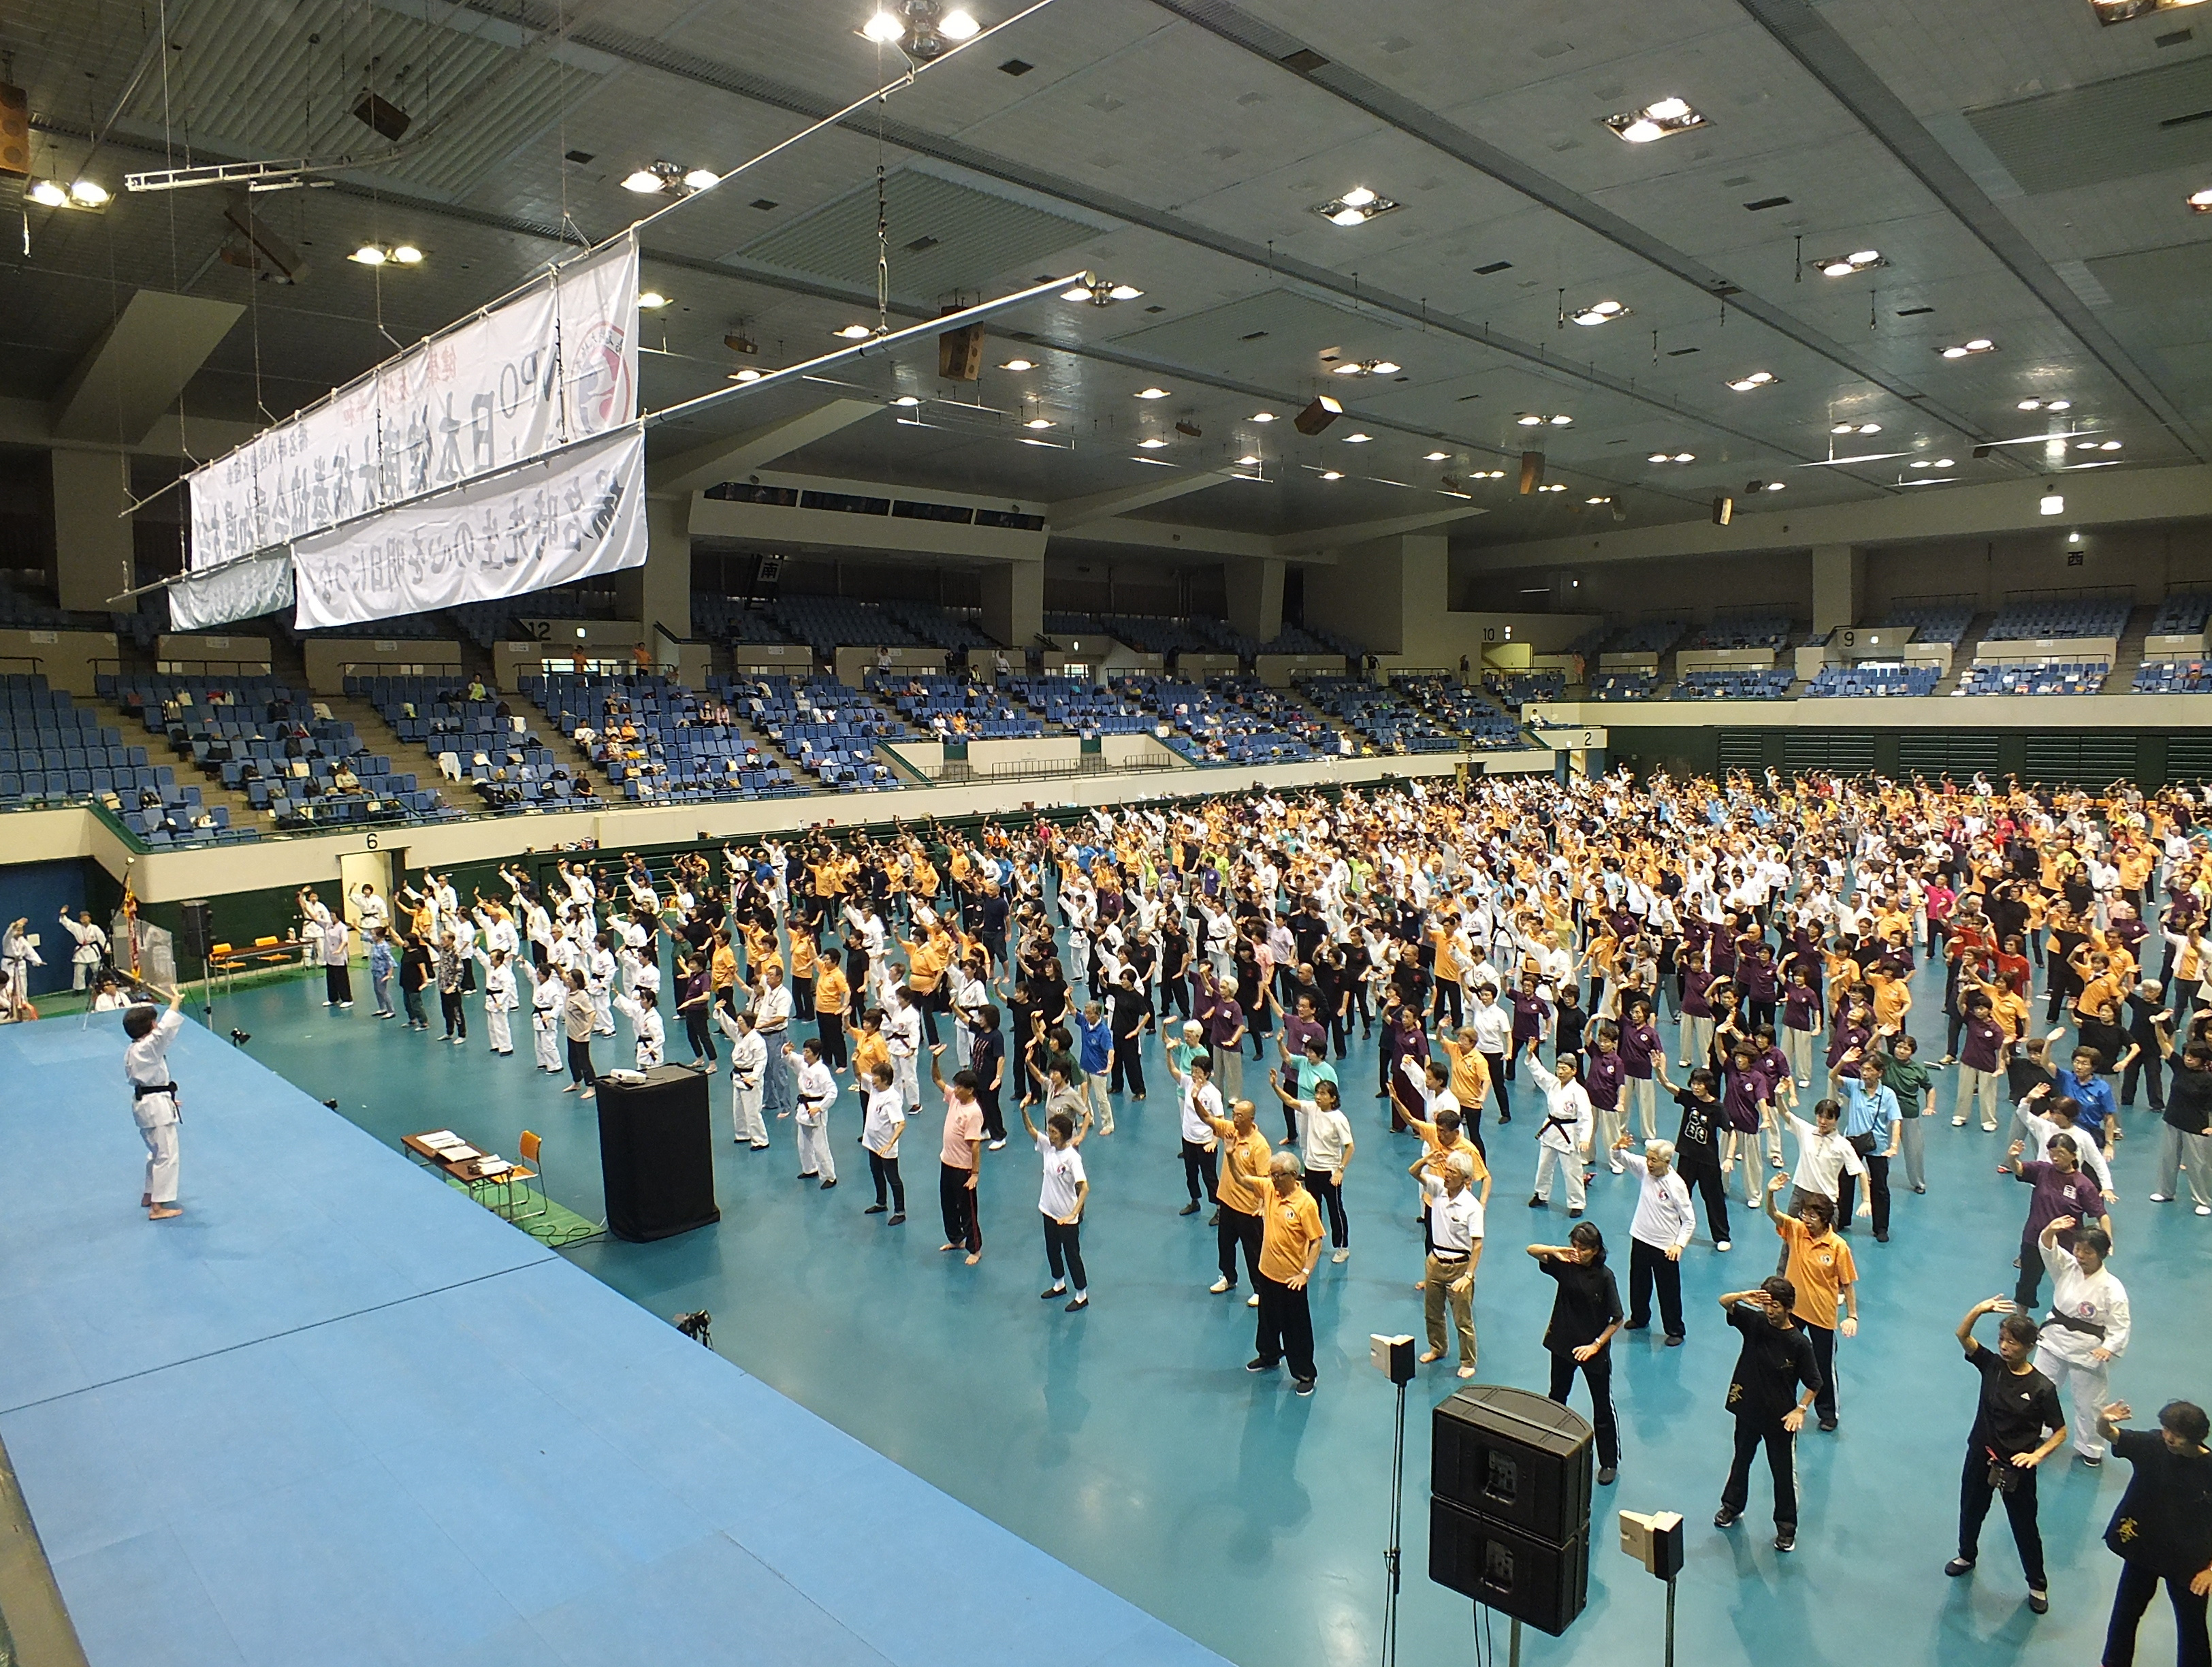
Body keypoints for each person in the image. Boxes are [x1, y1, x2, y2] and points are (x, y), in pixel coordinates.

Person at [1946, 1297, 2066, 1615]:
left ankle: (2037, 1584)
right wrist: (1979, 1310)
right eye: (2001, 1339)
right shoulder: (1991, 1366)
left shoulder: (2042, 1387)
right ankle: (1966, 1555)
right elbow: (1962, 1335)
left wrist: (2038, 1455)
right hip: (1981, 1455)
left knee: (2024, 1526)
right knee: (1971, 1510)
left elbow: (2060, 1431)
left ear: (2029, 1347)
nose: (2004, 1346)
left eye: (2012, 1343)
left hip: (2017, 1466)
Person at [2094, 1399, 2212, 1667]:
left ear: (2196, 1438)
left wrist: (2210, 1570)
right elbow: (2110, 1434)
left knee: (2192, 1628)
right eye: (2166, 1429)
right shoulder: (2153, 1446)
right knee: (2125, 1614)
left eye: (2177, 1435)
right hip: (2144, 1550)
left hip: (2189, 1563)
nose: (2168, 1437)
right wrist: (2104, 1421)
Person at [1713, 1275, 1823, 1553]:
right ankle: (1732, 1506)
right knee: (1741, 1460)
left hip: (1780, 1421)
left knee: (1782, 1474)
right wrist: (1743, 1296)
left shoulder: (1799, 1344)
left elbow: (1814, 1383)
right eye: (1766, 1305)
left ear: (1789, 1308)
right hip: (1748, 1410)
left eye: (1775, 1306)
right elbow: (1724, 1302)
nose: (1770, 1311)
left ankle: (1786, 1528)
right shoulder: (1755, 1323)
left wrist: (1800, 1409)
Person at [1528, 1222, 1626, 1485]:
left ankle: (1609, 1462)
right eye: (1575, 1246)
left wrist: (1595, 1345)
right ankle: (1551, 1445)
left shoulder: (1605, 1277)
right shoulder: (1565, 1265)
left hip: (1592, 1351)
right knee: (1557, 1397)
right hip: (1563, 1344)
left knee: (1602, 1406)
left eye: (1584, 1249)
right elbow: (1531, 1250)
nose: (1578, 1252)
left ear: (1595, 1250)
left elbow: (1617, 1319)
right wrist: (1556, 1250)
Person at [2031, 1215, 2130, 1465]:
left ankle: (2090, 1448)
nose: (2080, 1256)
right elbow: (2048, 1250)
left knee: (2089, 1403)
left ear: (2102, 1255)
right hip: (2054, 1339)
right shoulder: (2067, 1267)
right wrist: (2050, 1230)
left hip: (2088, 1349)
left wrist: (2109, 1347)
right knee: (2039, 1389)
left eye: (2088, 1252)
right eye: (2078, 1249)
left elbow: (2120, 1324)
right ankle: (2038, 1430)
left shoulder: (2112, 1288)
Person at [1763, 1176, 1857, 1431]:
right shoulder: (1796, 1230)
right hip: (1794, 1311)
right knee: (1784, 1359)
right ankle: (1782, 1402)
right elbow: (1773, 1214)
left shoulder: (1838, 1247)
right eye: (1804, 1214)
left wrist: (1852, 1315)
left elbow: (1847, 1283)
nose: (1806, 1219)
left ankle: (1827, 1413)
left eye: (1812, 1216)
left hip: (1822, 1315)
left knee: (1822, 1365)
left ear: (1825, 1219)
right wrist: (1770, 1193)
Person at [1247, 1151, 1326, 1395]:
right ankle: (1269, 1355)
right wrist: (1229, 1156)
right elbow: (1242, 1180)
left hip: (1292, 1280)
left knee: (1296, 1330)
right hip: (1267, 1272)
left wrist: (1305, 1273)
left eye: (1277, 1175)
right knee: (1267, 1321)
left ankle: (1305, 1374)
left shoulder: (1306, 1204)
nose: (1273, 1180)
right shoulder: (1271, 1190)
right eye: (1271, 1175)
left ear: (1292, 1175)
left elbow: (1316, 1241)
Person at [1616, 1134, 1695, 1344]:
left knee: (1668, 1290)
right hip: (1641, 1237)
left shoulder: (1676, 1185)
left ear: (1667, 1162)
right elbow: (1621, 1158)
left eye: (1654, 1160)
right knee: (1638, 1282)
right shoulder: (1644, 1169)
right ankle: (1640, 1317)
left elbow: (1689, 1220)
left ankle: (1675, 1330)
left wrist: (1679, 1245)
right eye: (1648, 1158)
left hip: (1665, 1247)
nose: (1649, 1164)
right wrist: (1617, 1148)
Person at [1418, 1149, 1484, 1379]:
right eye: (1446, 1170)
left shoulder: (1472, 1207)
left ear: (1465, 1179)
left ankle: (1468, 1361)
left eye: (1452, 1173)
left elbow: (1477, 1244)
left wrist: (1469, 1275)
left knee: (1462, 1318)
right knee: (1432, 1312)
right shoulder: (1438, 1189)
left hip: (1459, 1266)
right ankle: (1437, 1348)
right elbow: (1414, 1172)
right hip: (1436, 1261)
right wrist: (1425, 1161)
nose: (1446, 1175)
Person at [1021, 1098, 1091, 1311]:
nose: (1049, 1135)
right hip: (1048, 1210)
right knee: (1052, 1250)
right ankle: (1059, 1284)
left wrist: (1073, 1214)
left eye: (1054, 1132)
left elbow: (1084, 1188)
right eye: (1049, 1131)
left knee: (1072, 1255)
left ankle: (1082, 1295)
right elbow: (1031, 1130)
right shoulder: (1048, 1147)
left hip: (1066, 1217)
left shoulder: (1072, 1158)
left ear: (1064, 1135)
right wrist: (1024, 1111)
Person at [124, 987, 187, 1220]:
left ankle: (149, 1194)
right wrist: (175, 1003)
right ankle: (158, 1207)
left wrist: (167, 1099)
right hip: (155, 1108)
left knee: (156, 1152)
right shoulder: (148, 1048)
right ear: (151, 1026)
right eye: (155, 1022)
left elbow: (151, 1082)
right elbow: (165, 1031)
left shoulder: (133, 1049)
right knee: (166, 1155)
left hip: (148, 1103)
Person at [1524, 1037, 1592, 1218]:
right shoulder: (1553, 1083)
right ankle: (1541, 1194)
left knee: (1572, 1171)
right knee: (1544, 1166)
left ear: (1574, 1071)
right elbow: (1539, 1073)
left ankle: (1577, 1203)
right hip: (1551, 1130)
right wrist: (1531, 1054)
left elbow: (1586, 1117)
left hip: (1569, 1133)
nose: (1560, 1072)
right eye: (1559, 1068)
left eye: (1564, 1069)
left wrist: (1585, 1138)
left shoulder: (1579, 1092)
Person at [930, 1045, 985, 1264]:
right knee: (948, 1205)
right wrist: (935, 1059)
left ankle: (975, 1249)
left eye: (960, 1087)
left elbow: (975, 1146)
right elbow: (937, 1079)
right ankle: (955, 1239)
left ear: (970, 1090)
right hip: (947, 1162)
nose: (956, 1089)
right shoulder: (955, 1098)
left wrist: (975, 1173)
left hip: (963, 1169)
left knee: (968, 1211)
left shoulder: (973, 1113)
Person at [1164, 1032, 1223, 1218]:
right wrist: (1168, 1053)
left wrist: (1214, 1142)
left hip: (1205, 1142)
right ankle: (1194, 1201)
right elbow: (1174, 1071)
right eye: (1193, 1070)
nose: (1195, 1075)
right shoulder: (1189, 1083)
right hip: (1188, 1139)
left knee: (1209, 1176)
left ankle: (1219, 1209)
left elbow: (1220, 1120)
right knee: (1191, 1173)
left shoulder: (1213, 1094)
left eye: (1199, 1072)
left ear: (1207, 1074)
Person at [857, 1060, 905, 1222]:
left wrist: (890, 1144)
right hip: (872, 1143)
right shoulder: (874, 1088)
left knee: (893, 1178)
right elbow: (859, 1075)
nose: (872, 1079)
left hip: (885, 1146)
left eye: (876, 1076)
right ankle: (881, 1203)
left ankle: (900, 1212)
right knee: (876, 1172)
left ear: (885, 1080)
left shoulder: (892, 1098)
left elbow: (901, 1124)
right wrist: (855, 1060)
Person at [787, 1036, 838, 1188]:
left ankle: (830, 1176)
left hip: (816, 1109)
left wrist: (820, 1108)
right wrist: (786, 1051)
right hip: (804, 1108)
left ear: (816, 1054)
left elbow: (832, 1092)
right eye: (804, 1050)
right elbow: (792, 1058)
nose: (804, 1054)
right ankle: (810, 1169)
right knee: (803, 1144)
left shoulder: (822, 1071)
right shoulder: (804, 1063)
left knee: (820, 1147)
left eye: (808, 1052)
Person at [717, 1005, 769, 1148]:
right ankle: (743, 1133)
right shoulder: (740, 1035)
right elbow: (730, 1026)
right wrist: (720, 1012)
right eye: (738, 1022)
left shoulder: (757, 1041)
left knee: (753, 1112)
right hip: (738, 1076)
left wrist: (754, 1077)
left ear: (750, 1024)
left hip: (750, 1078)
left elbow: (761, 1061)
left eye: (741, 1023)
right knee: (738, 1109)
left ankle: (761, 1140)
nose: (738, 1025)